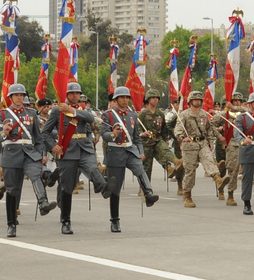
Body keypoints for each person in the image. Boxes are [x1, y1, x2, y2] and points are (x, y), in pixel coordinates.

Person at [40, 82, 112, 235]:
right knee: (67, 187)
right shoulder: (56, 112)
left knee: (93, 168)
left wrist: (70, 110)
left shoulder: (83, 110)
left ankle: (104, 187)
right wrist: (53, 146)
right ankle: (65, 220)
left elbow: (89, 118)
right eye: (72, 93)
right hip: (67, 150)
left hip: (85, 148)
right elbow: (45, 133)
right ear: (66, 95)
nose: (75, 96)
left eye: (77, 94)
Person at [100, 86, 160, 232]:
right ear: (116, 99)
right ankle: (115, 220)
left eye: (127, 97)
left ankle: (148, 193)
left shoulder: (133, 115)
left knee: (140, 169)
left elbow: (136, 138)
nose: (125, 100)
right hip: (115, 152)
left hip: (130, 150)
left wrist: (140, 151)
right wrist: (113, 134)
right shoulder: (108, 115)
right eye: (122, 97)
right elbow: (104, 135)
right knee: (116, 188)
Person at [2, 83, 58, 237]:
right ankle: (11, 224)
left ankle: (43, 203)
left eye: (21, 95)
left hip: (30, 153)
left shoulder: (32, 114)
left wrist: (42, 154)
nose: (19, 97)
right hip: (11, 154)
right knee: (12, 190)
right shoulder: (3, 114)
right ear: (11, 97)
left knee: (35, 175)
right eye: (16, 95)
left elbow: (39, 139)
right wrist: (4, 132)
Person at [173, 91, 220, 208]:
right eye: (195, 100)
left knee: (209, 159)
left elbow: (209, 129)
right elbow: (178, 129)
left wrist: (210, 142)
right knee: (190, 171)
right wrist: (182, 137)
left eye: (199, 99)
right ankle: (187, 194)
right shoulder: (184, 115)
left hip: (202, 142)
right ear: (190, 101)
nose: (198, 101)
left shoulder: (204, 114)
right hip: (190, 145)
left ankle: (217, 178)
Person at [137, 89, 179, 185]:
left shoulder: (160, 113)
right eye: (153, 98)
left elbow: (164, 128)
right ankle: (144, 188)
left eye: (157, 98)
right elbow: (138, 127)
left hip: (157, 139)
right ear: (148, 99)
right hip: (146, 142)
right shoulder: (143, 113)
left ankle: (176, 162)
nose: (155, 100)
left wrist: (166, 139)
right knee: (147, 168)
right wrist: (142, 134)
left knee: (165, 151)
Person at [212, 93, 244, 206]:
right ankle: (224, 191)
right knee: (226, 168)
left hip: (241, 143)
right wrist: (219, 135)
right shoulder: (222, 114)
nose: (237, 103)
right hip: (227, 143)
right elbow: (210, 125)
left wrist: (235, 108)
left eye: (239, 101)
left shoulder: (244, 114)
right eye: (234, 101)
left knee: (238, 168)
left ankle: (233, 194)